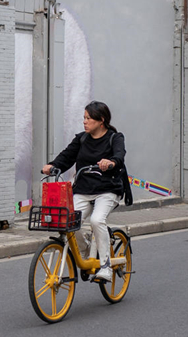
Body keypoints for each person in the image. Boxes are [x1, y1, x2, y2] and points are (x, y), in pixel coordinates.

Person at [41, 101, 126, 282]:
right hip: (83, 189)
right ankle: (86, 248)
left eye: (88, 118)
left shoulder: (115, 138)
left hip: (108, 190)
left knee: (97, 220)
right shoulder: (81, 139)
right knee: (68, 221)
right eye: (84, 118)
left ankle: (105, 267)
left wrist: (110, 162)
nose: (84, 122)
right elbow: (67, 156)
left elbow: (119, 156)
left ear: (101, 120)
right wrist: (53, 165)